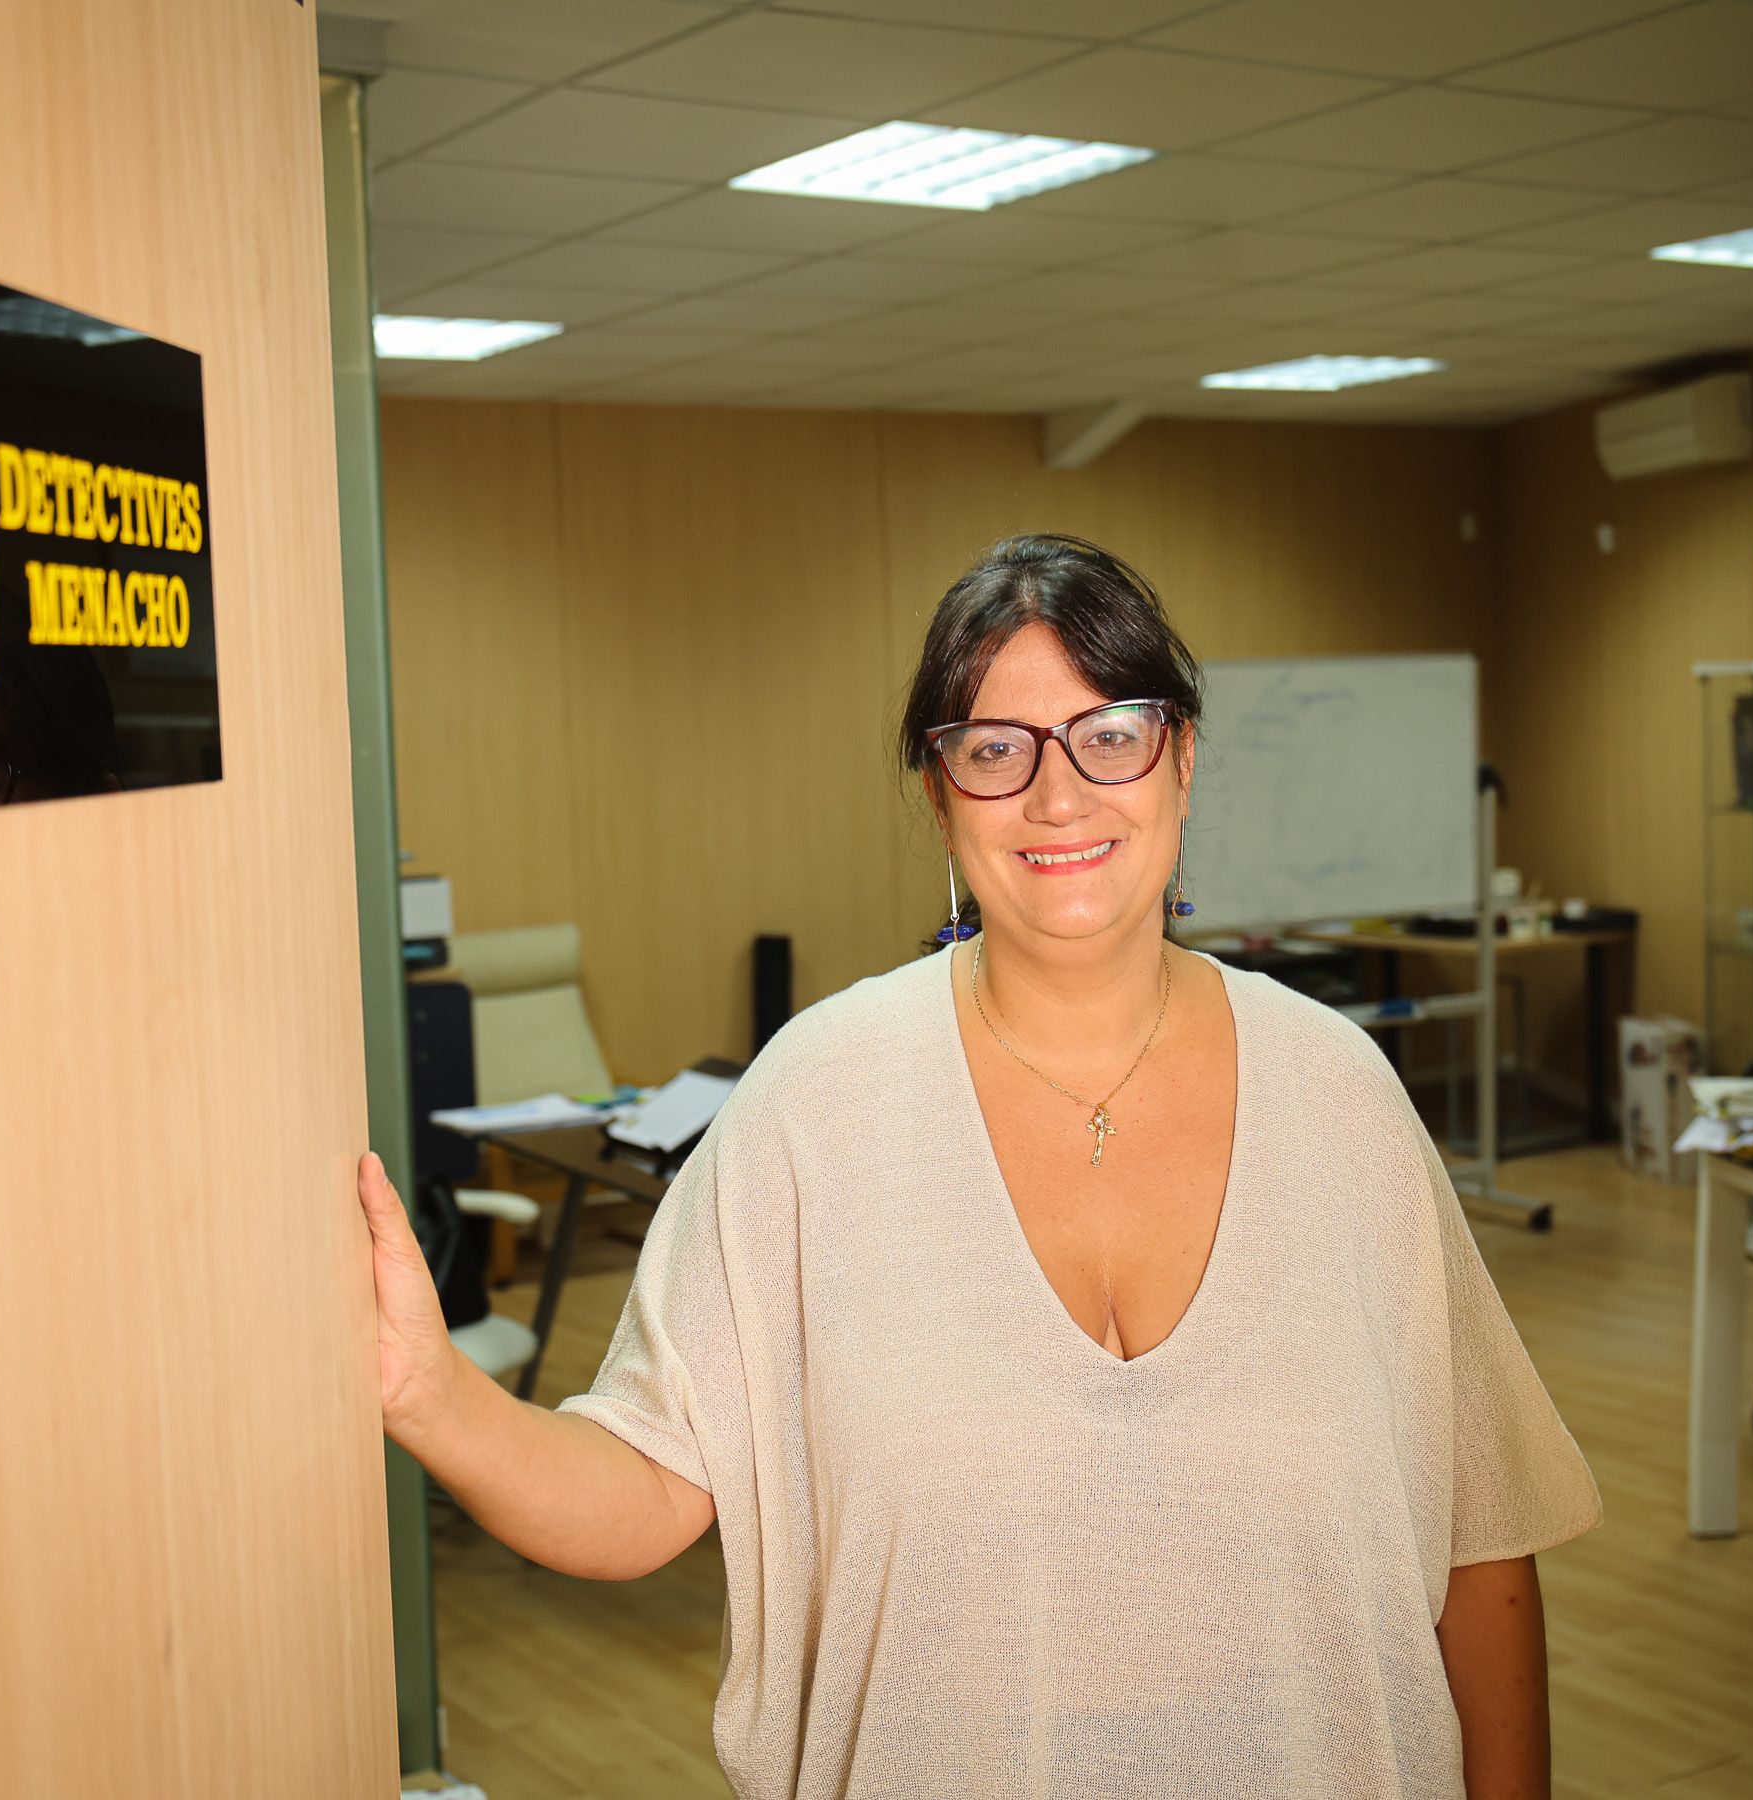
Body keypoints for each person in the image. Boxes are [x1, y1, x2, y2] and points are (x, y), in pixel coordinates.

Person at [355, 535, 1600, 1799]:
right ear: (941, 796)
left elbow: (1481, 1543)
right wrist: (431, 1394)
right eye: (997, 750)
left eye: (1110, 734)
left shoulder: (1339, 1096)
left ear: (1182, 760)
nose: (1058, 797)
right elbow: (641, 1489)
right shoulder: (815, 1103)